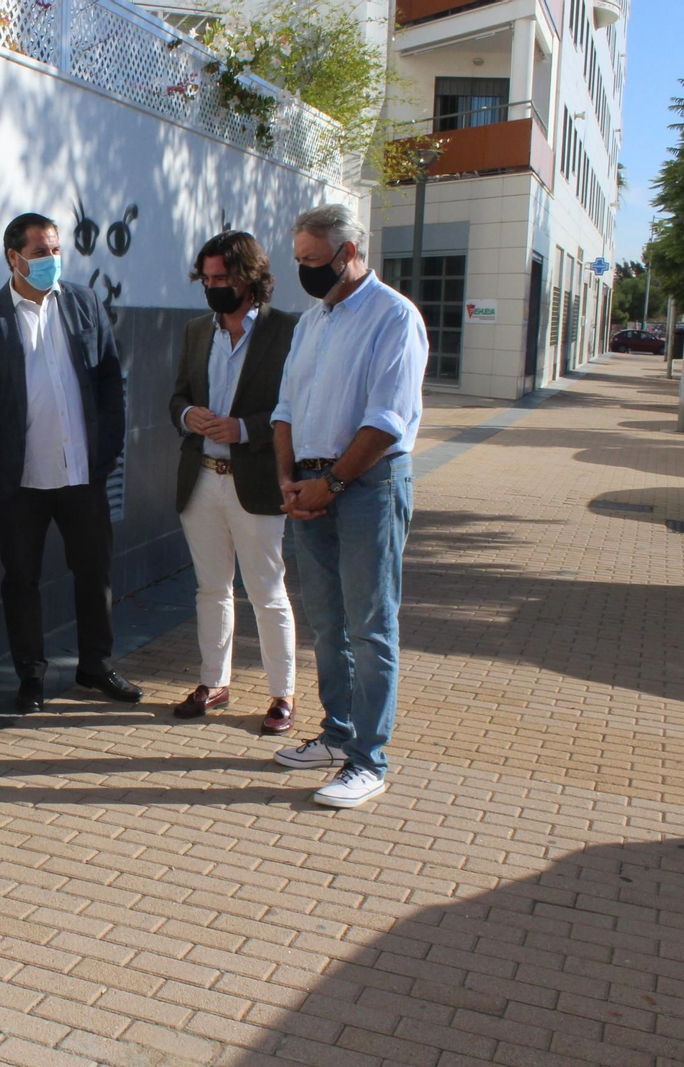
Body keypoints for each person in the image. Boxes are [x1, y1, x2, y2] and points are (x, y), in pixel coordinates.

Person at [0, 212, 141, 712]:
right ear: (14, 257)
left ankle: (96, 666)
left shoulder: (84, 303)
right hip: (20, 478)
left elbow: (111, 379)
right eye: (41, 252)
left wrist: (109, 449)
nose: (52, 259)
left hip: (82, 474)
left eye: (55, 250)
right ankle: (31, 676)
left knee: (95, 572)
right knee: (21, 578)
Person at [270, 203, 425, 809]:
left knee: (370, 627)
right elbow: (285, 408)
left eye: (314, 261)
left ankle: (369, 759)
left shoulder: (393, 317)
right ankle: (337, 735)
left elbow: (386, 420)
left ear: (350, 252)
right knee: (329, 626)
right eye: (300, 261)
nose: (306, 272)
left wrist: (330, 485)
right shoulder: (313, 321)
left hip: (366, 489)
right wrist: (288, 480)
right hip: (309, 487)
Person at [167, 231, 299, 733]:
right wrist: (188, 417)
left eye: (222, 277)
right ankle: (212, 681)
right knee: (211, 589)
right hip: (201, 479)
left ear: (249, 277)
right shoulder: (197, 331)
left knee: (267, 591)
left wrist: (245, 429)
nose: (212, 286)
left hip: (257, 481)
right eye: (206, 278)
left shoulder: (287, 331)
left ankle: (282, 693)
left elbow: (298, 409)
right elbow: (176, 397)